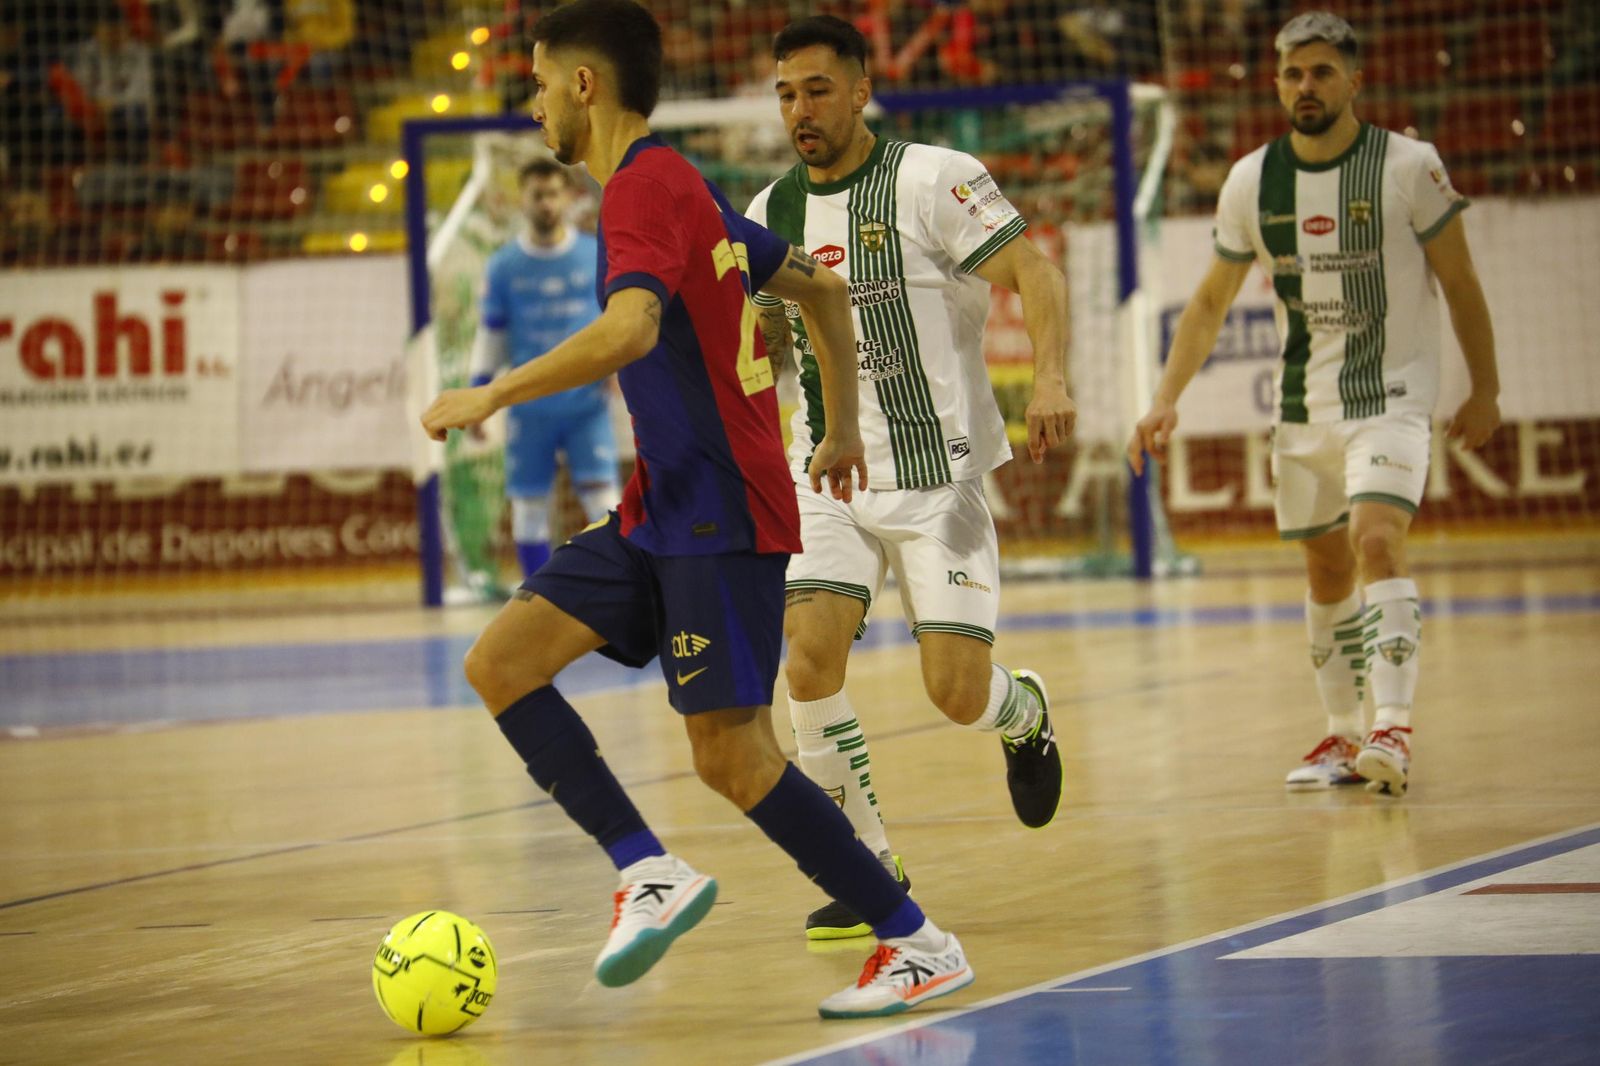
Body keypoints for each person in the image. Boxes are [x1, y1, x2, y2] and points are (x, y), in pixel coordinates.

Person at [420, 0, 974, 1019]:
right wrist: (838, 427)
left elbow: (631, 329)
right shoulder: (676, 185)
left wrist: (494, 392)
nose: (533, 103)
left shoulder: (643, 191)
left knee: (732, 755)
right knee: (500, 662)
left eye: (540, 82)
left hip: (718, 506)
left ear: (583, 85)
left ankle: (915, 939)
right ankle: (645, 868)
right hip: (659, 505)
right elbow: (818, 289)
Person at [745, 15, 1076, 941]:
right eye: (784, 93)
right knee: (805, 662)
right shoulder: (771, 209)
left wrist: (1049, 374)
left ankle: (1022, 711)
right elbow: (772, 336)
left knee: (955, 694)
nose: (799, 109)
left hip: (942, 480)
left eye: (817, 89)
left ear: (860, 90)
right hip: (830, 472)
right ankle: (867, 863)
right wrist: (758, 338)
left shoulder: (937, 179)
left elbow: (1036, 272)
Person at [1127, 11, 1501, 797]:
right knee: (1326, 567)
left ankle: (1393, 727)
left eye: (1322, 71)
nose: (1306, 86)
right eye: (1293, 73)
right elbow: (1208, 303)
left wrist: (1486, 387)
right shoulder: (1251, 181)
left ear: (1354, 80)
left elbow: (1461, 284)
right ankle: (1343, 732)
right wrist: (1164, 398)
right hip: (1303, 406)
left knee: (1375, 540)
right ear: (1275, 82)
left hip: (1392, 395)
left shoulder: (1409, 167)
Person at [468, 157, 620, 580]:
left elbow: (620, 319)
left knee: (604, 502)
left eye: (554, 194)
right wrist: (479, 394)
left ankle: (619, 591)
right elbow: (491, 335)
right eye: (538, 195)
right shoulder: (503, 266)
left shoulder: (595, 254)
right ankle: (537, 596)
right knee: (528, 506)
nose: (547, 204)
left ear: (568, 198)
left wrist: (621, 368)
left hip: (585, 404)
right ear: (523, 201)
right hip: (528, 405)